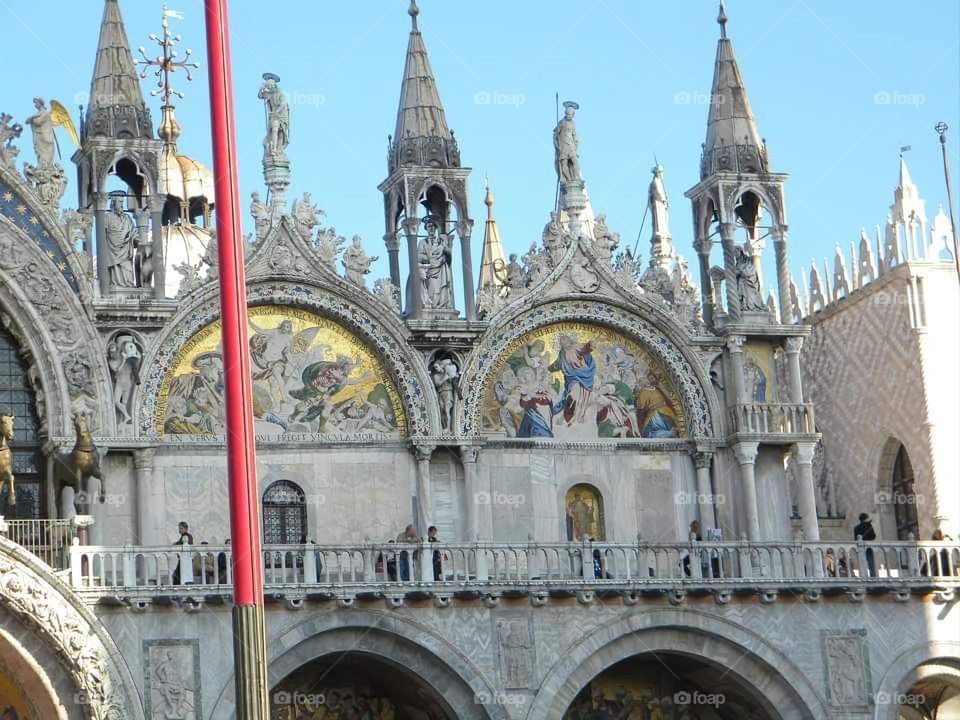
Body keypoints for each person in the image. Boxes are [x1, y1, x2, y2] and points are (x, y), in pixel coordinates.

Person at [853, 512, 877, 577]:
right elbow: (873, 536)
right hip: (868, 547)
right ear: (866, 518)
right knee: (871, 563)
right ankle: (873, 577)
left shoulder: (856, 528)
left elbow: (855, 539)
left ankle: (863, 576)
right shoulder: (869, 526)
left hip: (860, 548)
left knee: (862, 563)